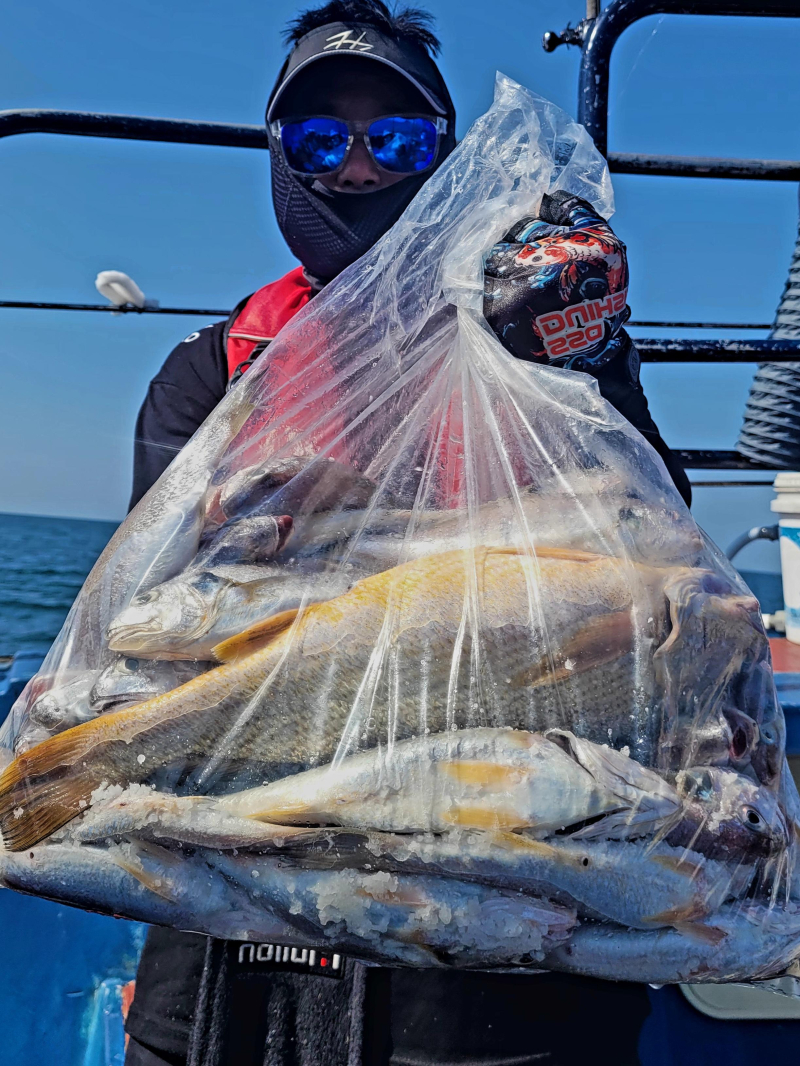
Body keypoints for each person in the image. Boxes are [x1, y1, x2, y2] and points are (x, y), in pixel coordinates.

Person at [124, 3, 684, 1065]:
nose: (356, 171)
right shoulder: (213, 369)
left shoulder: (530, 351)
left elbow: (656, 547)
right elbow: (164, 621)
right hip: (240, 923)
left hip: (493, 908)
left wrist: (592, 354)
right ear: (279, 158)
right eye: (319, 140)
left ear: (442, 160)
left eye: (395, 140)